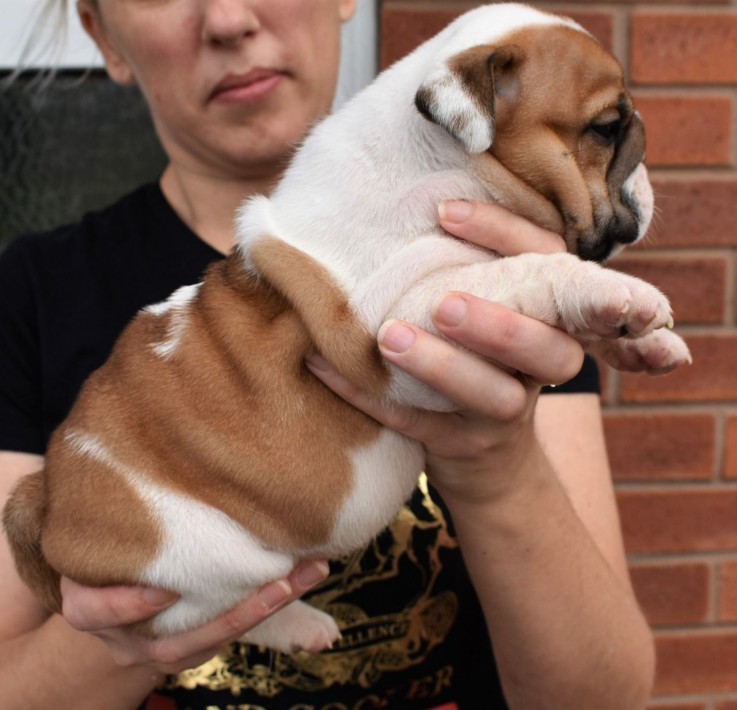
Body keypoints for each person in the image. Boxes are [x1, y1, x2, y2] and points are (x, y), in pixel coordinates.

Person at [0, 1, 661, 708]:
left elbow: (605, 695)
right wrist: (144, 599)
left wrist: (496, 466)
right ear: (102, 34)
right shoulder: (32, 294)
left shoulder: (508, 263)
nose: (227, 17)